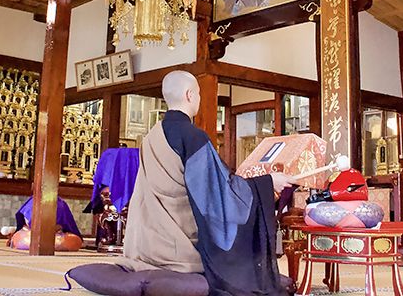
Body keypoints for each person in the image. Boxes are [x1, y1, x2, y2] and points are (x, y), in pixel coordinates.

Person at [121, 70, 294, 295]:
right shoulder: (193, 137)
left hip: (144, 245)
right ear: (190, 95)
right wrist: (268, 182)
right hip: (178, 249)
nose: (200, 99)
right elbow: (220, 195)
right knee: (241, 265)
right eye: (199, 94)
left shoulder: (151, 136)